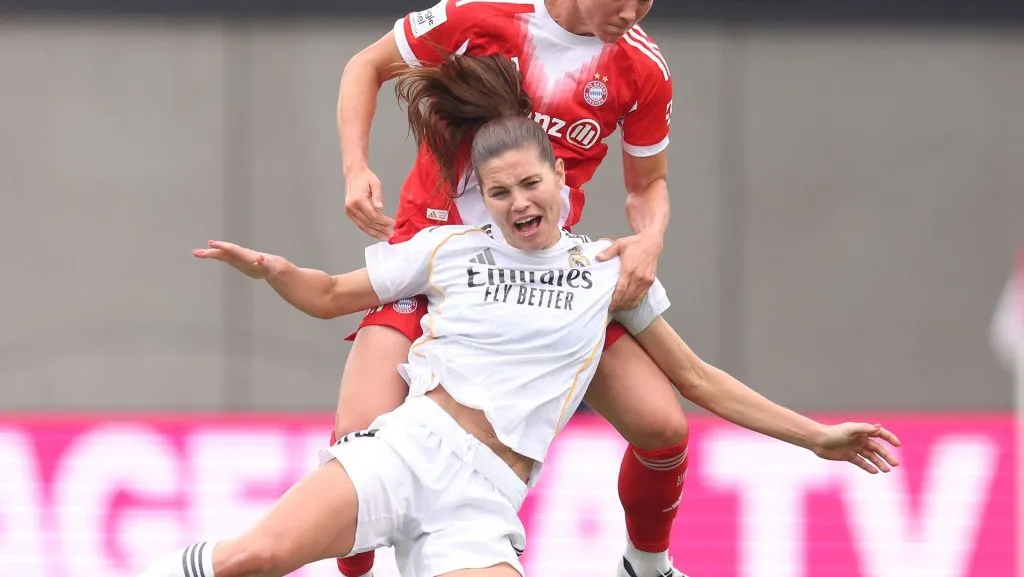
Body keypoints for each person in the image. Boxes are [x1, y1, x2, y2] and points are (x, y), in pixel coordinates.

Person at [138, 53, 900, 577]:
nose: (518, 204)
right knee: (249, 560)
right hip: (406, 453)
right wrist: (272, 271)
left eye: (529, 184)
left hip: (481, 500)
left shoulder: (607, 275)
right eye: (498, 193)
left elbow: (700, 380)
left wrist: (818, 436)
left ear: (562, 176)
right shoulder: (450, 249)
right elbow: (332, 295)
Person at [336, 2, 690, 575]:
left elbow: (649, 184)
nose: (630, 11)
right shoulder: (482, 13)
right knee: (355, 446)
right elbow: (367, 65)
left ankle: (646, 566)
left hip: (536, 278)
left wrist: (650, 238)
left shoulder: (642, 67)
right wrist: (356, 166)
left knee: (664, 429)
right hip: (432, 261)